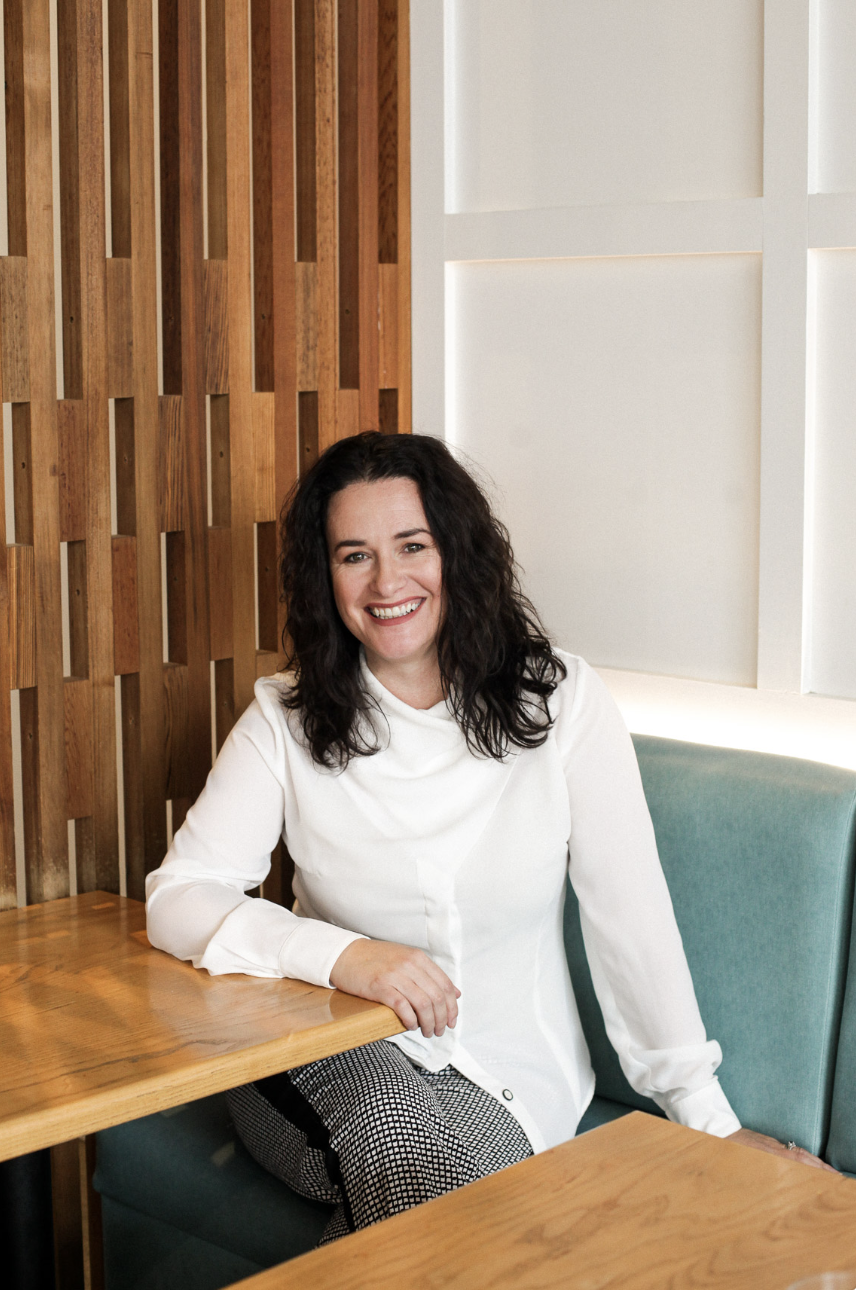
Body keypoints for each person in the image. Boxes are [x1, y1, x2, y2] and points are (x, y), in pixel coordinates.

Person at [146, 432, 831, 1246]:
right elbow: (178, 899)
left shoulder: (560, 702)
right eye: (355, 556)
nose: (387, 582)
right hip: (320, 1049)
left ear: (457, 552)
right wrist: (346, 956)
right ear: (325, 578)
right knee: (395, 1128)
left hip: (512, 1076)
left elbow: (630, 920)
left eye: (412, 546)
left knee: (436, 1193)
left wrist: (708, 1123)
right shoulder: (285, 719)